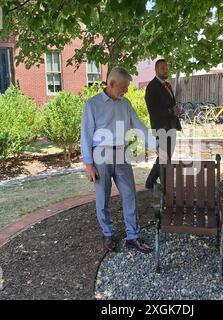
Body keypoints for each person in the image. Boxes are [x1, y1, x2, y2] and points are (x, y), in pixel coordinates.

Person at [80, 67, 166, 254]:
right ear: (111, 84)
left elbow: (139, 126)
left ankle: (133, 237)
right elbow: (85, 135)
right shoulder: (92, 105)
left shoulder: (125, 104)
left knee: (129, 194)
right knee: (102, 198)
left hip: (121, 154)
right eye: (124, 87)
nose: (126, 91)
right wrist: (88, 164)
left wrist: (155, 145)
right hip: (100, 155)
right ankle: (108, 234)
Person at [144, 59, 182, 189]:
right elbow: (153, 110)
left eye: (167, 67)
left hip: (171, 126)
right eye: (162, 68)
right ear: (156, 70)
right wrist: (171, 111)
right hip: (161, 128)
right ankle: (165, 188)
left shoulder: (167, 85)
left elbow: (170, 104)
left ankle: (150, 182)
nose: (166, 70)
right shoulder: (152, 87)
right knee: (164, 157)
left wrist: (175, 110)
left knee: (166, 156)